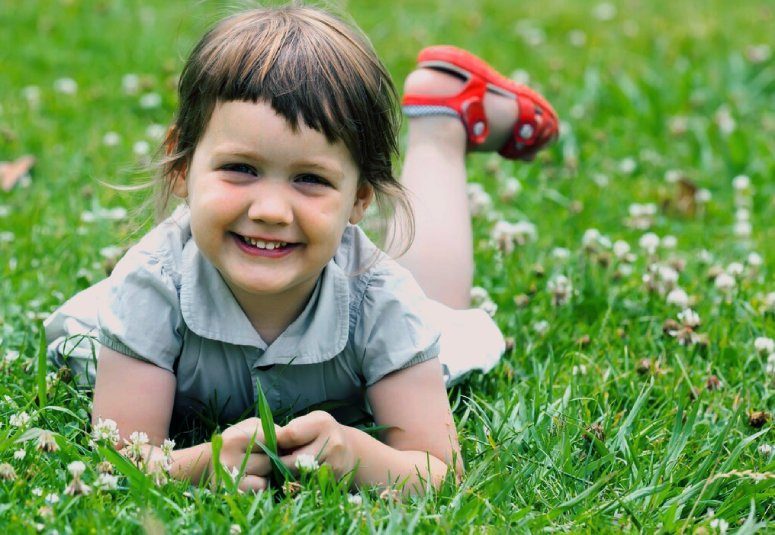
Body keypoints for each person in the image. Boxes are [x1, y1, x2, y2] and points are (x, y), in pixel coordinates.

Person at [44, 5, 558, 494]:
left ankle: (440, 121)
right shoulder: (150, 286)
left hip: (379, 303)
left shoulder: (382, 301)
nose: (271, 210)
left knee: (437, 308)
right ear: (181, 166)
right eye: (241, 168)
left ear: (359, 197)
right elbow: (121, 459)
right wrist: (202, 463)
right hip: (137, 319)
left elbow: (438, 469)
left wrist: (359, 455)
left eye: (310, 179)